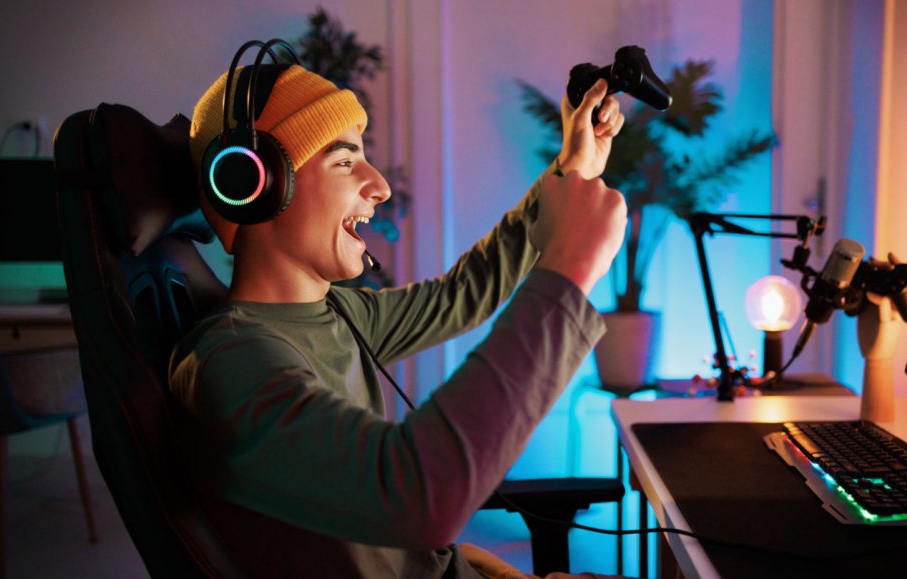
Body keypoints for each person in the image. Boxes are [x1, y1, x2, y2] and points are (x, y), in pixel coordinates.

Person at [169, 51, 629, 578]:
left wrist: (571, 171)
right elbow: (413, 498)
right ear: (254, 185)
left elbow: (466, 291)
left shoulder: (340, 314)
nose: (380, 186)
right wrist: (569, 272)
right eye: (344, 161)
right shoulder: (233, 361)